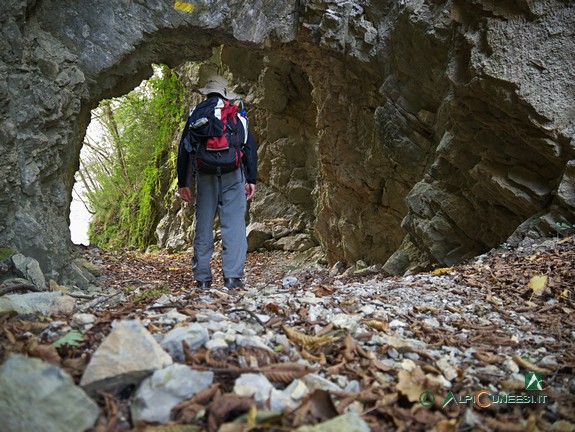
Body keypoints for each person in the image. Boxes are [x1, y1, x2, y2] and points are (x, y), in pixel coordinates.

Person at [176, 74, 257, 289]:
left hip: (204, 175)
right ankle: (233, 278)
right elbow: (248, 147)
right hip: (233, 173)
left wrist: (183, 182)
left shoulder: (196, 114)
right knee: (234, 226)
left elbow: (184, 148)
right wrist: (251, 179)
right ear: (224, 92)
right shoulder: (236, 114)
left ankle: (202, 279)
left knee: (203, 225)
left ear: (206, 92)